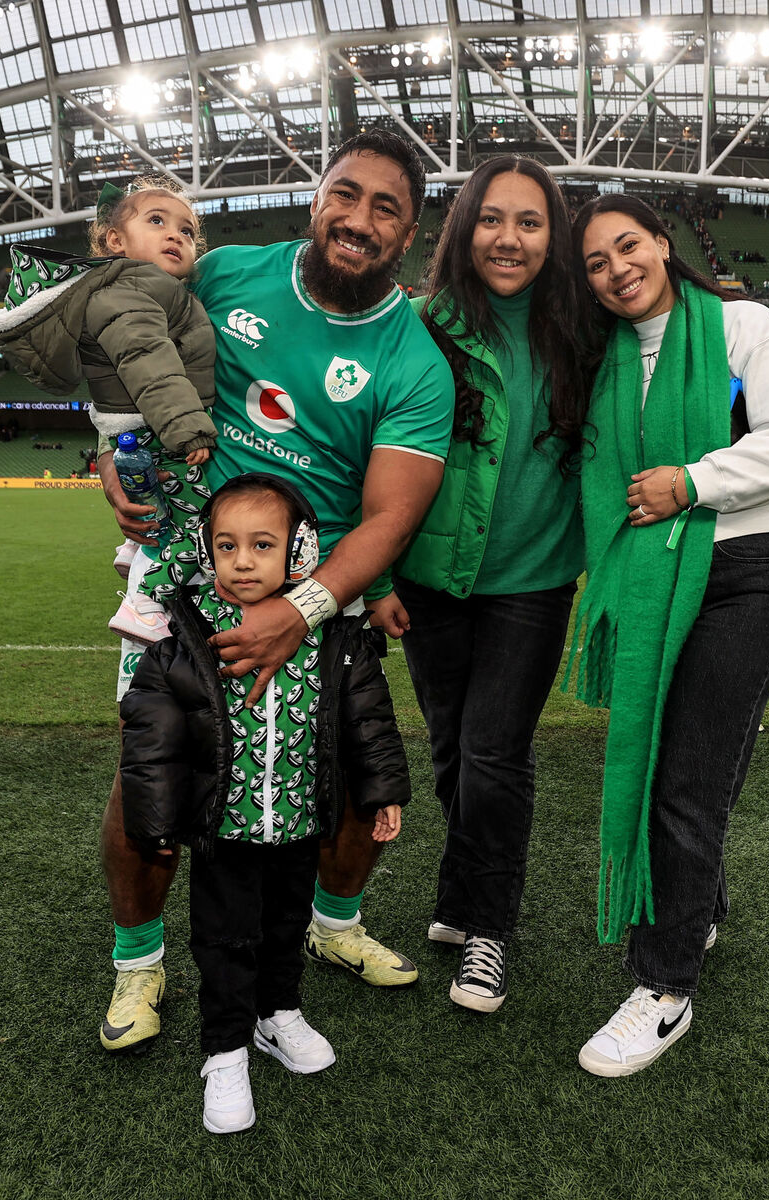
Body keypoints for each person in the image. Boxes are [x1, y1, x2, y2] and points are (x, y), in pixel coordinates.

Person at [96, 130, 454, 1053]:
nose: (359, 218)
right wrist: (110, 446)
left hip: (321, 594)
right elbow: (123, 349)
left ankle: (330, 927)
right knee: (150, 773)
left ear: (408, 235)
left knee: (346, 781)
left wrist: (300, 609)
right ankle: (138, 964)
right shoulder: (221, 277)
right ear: (315, 198)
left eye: (385, 208)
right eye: (346, 193)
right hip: (185, 574)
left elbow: (388, 519)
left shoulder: (414, 361)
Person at [569, 194, 769, 1076]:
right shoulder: (602, 358)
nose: (615, 270)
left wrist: (690, 479)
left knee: (686, 781)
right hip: (647, 582)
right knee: (680, 773)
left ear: (662, 245)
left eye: (626, 246)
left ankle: (663, 988)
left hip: (737, 576)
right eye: (595, 263)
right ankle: (698, 909)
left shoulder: (741, 325)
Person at [119, 473, 409, 1133]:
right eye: (226, 546)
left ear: (298, 552)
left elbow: (369, 722)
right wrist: (154, 820)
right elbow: (151, 739)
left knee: (283, 929)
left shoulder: (334, 636)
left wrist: (382, 791)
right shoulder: (183, 636)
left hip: (302, 824)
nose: (243, 561)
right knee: (226, 939)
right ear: (206, 551)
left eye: (260, 544)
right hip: (225, 830)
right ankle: (223, 1051)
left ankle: (277, 1015)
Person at [370, 156, 591, 1011]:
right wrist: (380, 571)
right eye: (491, 218)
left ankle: (488, 928)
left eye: (530, 222)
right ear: (463, 229)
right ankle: (465, 898)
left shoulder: (581, 330)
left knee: (495, 752)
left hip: (532, 580)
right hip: (429, 580)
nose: (509, 238)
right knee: (453, 749)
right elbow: (370, 453)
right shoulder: (416, 325)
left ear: (553, 236)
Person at [0, 176, 217, 642]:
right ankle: (143, 601)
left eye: (187, 231)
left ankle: (134, 546)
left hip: (137, 426)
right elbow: (148, 361)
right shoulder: (130, 291)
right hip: (161, 428)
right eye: (157, 221)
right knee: (201, 529)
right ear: (114, 241)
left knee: (161, 504)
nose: (176, 235)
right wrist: (188, 428)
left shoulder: (139, 289)